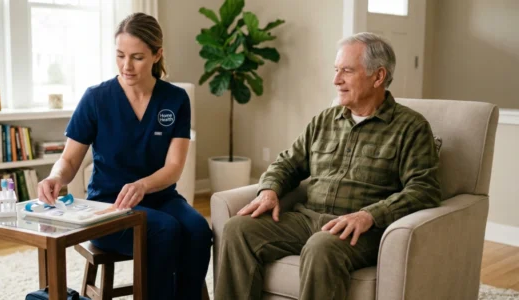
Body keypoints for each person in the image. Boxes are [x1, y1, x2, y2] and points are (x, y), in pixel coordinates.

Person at [215, 32, 442, 299]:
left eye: (347, 71)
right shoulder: (324, 120)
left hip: (362, 230)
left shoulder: (411, 127)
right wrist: (270, 190)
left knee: (321, 246)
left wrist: (369, 215)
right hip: (307, 219)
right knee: (238, 229)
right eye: (336, 70)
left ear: (378, 76)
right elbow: (288, 162)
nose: (336, 80)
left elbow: (424, 190)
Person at [37, 12, 212, 300]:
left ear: (157, 55)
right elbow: (68, 160)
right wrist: (55, 177)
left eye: (137, 57)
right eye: (120, 55)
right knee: (163, 230)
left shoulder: (175, 99)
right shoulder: (96, 99)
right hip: (108, 206)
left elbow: (174, 167)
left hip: (162, 198)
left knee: (197, 230)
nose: (126, 66)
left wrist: (143, 185)